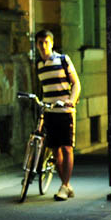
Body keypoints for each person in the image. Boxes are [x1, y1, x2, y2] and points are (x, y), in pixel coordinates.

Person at [34, 29, 80, 201]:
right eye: (40, 42)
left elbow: (76, 83)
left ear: (52, 43)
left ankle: (64, 185)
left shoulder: (62, 59)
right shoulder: (39, 65)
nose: (43, 46)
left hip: (65, 111)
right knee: (55, 150)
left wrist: (71, 100)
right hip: (50, 112)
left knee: (67, 147)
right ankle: (66, 185)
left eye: (46, 42)